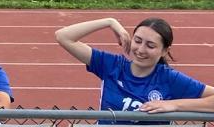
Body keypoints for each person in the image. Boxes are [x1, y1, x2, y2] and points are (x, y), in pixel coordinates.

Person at [54, 16, 214, 115]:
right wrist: (110, 22)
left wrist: (173, 105)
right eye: (137, 41)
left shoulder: (169, 78)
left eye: (150, 46)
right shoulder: (111, 65)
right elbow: (63, 36)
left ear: (164, 51)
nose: (141, 50)